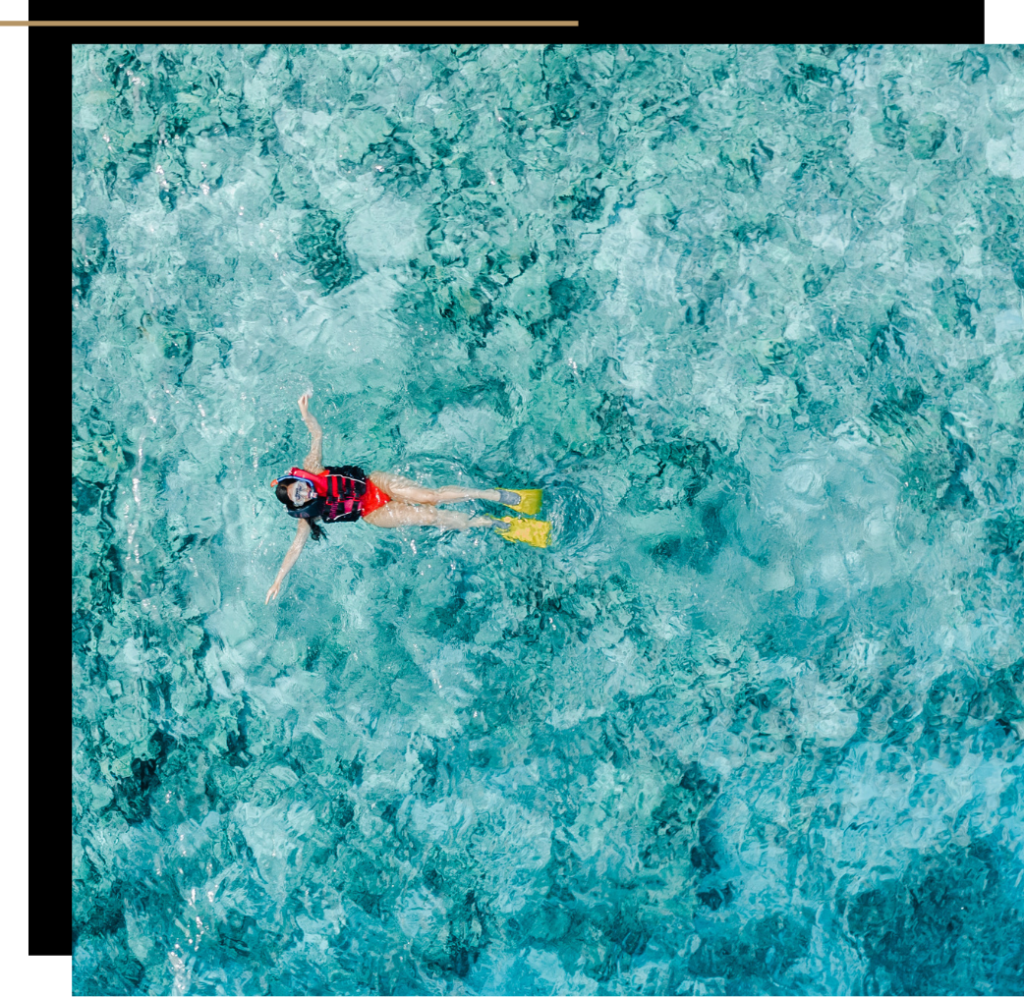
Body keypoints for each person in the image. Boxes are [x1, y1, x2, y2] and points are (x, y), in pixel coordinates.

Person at [265, 391, 551, 603]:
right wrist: (278, 580)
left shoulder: (312, 467)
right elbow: (295, 549)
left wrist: (305, 414)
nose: (305, 492)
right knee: (429, 517)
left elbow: (317, 434)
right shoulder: (308, 518)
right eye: (299, 496)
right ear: (298, 504)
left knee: (429, 497)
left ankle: (494, 494)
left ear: (301, 479)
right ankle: (494, 524)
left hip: (376, 484)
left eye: (300, 486)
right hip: (372, 514)